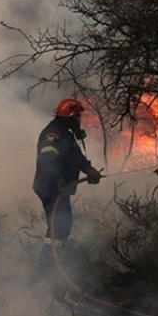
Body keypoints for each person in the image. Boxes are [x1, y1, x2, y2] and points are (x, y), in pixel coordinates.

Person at [33, 98, 102, 271]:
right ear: (71, 116)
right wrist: (59, 182)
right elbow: (47, 160)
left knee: (62, 225)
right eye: (78, 117)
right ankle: (46, 268)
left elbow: (75, 156)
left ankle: (50, 264)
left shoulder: (66, 134)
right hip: (50, 187)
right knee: (60, 227)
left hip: (58, 188)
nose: (80, 121)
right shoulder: (53, 134)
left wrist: (89, 169)